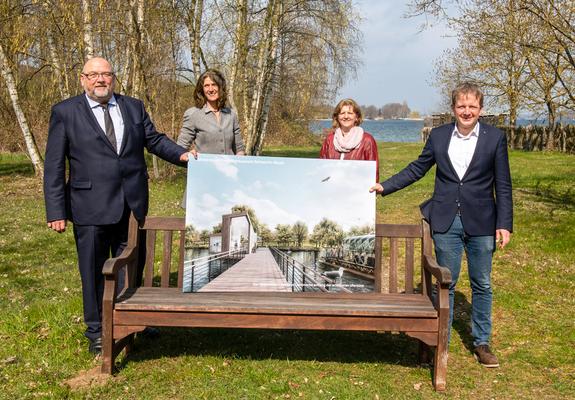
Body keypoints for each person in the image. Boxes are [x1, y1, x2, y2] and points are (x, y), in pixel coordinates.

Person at [43, 57, 191, 355]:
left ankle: (132, 318)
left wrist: (184, 155)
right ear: (83, 79)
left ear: (114, 78)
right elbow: (54, 165)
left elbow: (154, 140)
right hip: (89, 206)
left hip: (132, 203)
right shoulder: (65, 112)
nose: (101, 80)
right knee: (94, 270)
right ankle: (98, 330)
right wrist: (56, 210)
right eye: (94, 75)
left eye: (106, 74)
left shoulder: (132, 106)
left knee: (133, 265)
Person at [370, 82, 512, 368]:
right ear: (453, 109)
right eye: (462, 106)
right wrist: (385, 186)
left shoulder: (495, 138)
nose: (467, 111)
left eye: (472, 106)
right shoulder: (438, 136)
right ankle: (438, 340)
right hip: (446, 220)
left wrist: (504, 224)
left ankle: (481, 343)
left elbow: (503, 184)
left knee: (482, 283)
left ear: (481, 109)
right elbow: (417, 168)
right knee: (446, 282)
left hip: (483, 222)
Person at [177, 69, 245, 157]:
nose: (210, 89)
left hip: (230, 169)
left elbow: (239, 149)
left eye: (214, 85)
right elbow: (180, 148)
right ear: (202, 89)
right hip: (205, 169)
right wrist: (188, 154)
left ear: (220, 87)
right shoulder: (193, 114)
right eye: (206, 86)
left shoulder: (231, 114)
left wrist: (240, 160)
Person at [320, 98, 379, 181]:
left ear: (357, 117)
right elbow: (321, 170)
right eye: (342, 113)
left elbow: (373, 173)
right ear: (337, 117)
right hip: (332, 190)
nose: (346, 116)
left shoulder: (367, 140)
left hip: (357, 191)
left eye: (350, 113)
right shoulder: (329, 140)